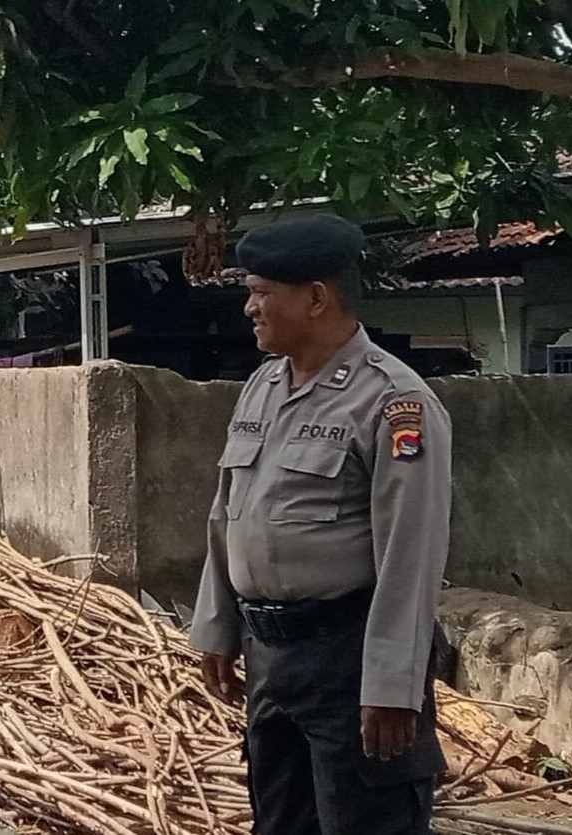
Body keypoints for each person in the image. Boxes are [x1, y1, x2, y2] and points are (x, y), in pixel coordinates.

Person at [189, 214, 451, 835]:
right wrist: (217, 627)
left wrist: (392, 686)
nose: (249, 308)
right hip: (271, 658)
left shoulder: (392, 401)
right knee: (279, 821)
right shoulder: (261, 387)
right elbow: (228, 515)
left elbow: (410, 555)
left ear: (315, 298)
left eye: (261, 292)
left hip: (348, 659)